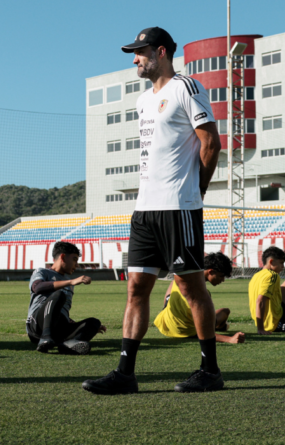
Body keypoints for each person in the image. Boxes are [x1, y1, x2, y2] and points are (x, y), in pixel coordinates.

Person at [83, 27, 224, 396]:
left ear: (161, 52)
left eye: (140, 52)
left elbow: (211, 141)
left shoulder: (186, 87)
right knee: (135, 288)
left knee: (191, 288)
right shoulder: (143, 101)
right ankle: (125, 373)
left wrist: (198, 189)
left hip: (178, 207)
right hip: (144, 210)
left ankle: (210, 370)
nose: (135, 59)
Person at [27, 241, 106, 354]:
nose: (77, 264)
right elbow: (37, 287)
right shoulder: (42, 272)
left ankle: (67, 345)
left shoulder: (69, 283)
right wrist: (70, 281)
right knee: (59, 294)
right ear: (63, 257)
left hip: (58, 328)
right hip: (37, 326)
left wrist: (82, 327)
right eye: (74, 259)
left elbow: (60, 311)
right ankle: (45, 338)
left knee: (94, 323)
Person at [155, 252, 246, 344]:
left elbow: (168, 297)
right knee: (224, 312)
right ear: (210, 271)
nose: (222, 280)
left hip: (164, 324)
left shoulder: (182, 275)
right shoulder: (201, 295)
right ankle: (218, 326)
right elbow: (203, 331)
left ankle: (219, 326)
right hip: (185, 332)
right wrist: (229, 339)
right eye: (221, 276)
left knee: (224, 311)